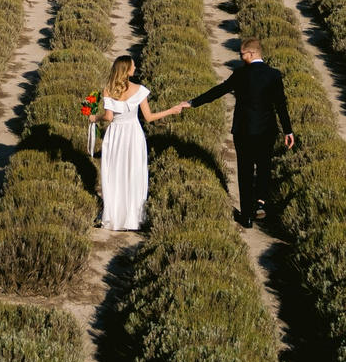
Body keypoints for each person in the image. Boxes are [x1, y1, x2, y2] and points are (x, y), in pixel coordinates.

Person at [185, 35, 294, 226]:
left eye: (242, 54)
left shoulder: (240, 74)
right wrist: (288, 131)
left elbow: (218, 91)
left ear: (251, 54)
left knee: (244, 170)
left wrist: (193, 103)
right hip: (267, 130)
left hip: (243, 130)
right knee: (264, 167)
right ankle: (261, 202)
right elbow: (280, 106)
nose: (240, 57)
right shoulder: (274, 75)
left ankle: (247, 216)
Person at [95, 54, 168, 232]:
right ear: (126, 70)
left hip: (116, 134)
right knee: (134, 171)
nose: (135, 68)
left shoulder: (108, 89)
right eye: (133, 66)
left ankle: (115, 215)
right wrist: (170, 111)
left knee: (115, 172)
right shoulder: (139, 90)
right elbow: (149, 117)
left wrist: (93, 118)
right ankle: (134, 217)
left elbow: (108, 117)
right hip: (133, 133)